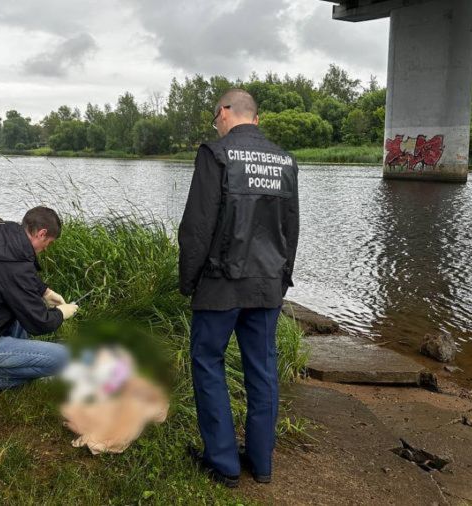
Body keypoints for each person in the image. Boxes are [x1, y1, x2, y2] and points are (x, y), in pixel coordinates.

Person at [178, 89, 299, 487]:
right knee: (262, 372)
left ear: (225, 112)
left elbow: (197, 227)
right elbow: (291, 227)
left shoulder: (216, 154)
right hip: (267, 285)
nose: (217, 123)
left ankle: (224, 464)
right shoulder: (285, 160)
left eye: (217, 117)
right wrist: (282, 278)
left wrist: (188, 280)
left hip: (220, 284)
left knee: (208, 363)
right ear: (258, 120)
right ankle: (261, 464)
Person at [0, 206, 78, 398]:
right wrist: (62, 313)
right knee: (66, 358)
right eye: (49, 243)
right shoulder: (15, 267)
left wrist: (44, 291)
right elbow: (39, 323)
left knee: (21, 309)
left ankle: (9, 363)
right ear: (42, 234)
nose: (46, 248)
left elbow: (11, 277)